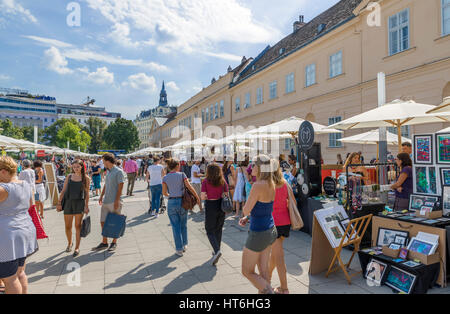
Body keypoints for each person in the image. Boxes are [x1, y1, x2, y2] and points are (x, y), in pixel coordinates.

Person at [0, 156, 38, 294]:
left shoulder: (4, 189)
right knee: (20, 272)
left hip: (7, 236)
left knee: (9, 278)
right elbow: (30, 204)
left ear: (4, 171)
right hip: (24, 230)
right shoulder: (25, 184)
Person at [239, 155, 277, 294]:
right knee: (264, 270)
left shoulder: (257, 185)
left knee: (247, 271)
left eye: (253, 164)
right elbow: (262, 208)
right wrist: (248, 217)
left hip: (258, 232)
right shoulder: (271, 183)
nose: (251, 167)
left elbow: (246, 209)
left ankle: (269, 292)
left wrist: (246, 213)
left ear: (260, 167)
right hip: (269, 228)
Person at [162, 158, 200, 257]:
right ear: (177, 166)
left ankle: (179, 249)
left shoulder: (165, 178)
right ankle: (184, 244)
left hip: (171, 202)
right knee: (183, 224)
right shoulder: (182, 175)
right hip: (183, 202)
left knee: (175, 226)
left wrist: (172, 194)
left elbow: (164, 193)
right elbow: (189, 186)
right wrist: (197, 197)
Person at [268, 162, 294, 294]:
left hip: (273, 223)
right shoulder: (285, 183)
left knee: (279, 257)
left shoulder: (267, 185)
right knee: (275, 254)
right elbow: (293, 201)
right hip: (285, 222)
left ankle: (284, 288)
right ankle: (267, 279)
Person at [57, 160, 90, 257]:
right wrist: (59, 203)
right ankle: (69, 243)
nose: (76, 168)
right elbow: (63, 190)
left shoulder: (86, 178)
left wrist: (86, 206)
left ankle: (77, 247)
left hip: (79, 203)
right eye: (74, 167)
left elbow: (87, 194)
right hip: (68, 203)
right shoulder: (69, 176)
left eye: (78, 167)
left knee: (78, 226)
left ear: (82, 167)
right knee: (68, 226)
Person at [93, 153, 125, 252]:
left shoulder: (118, 171)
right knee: (103, 222)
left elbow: (121, 186)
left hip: (115, 201)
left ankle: (114, 243)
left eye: (103, 161)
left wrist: (117, 200)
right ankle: (104, 242)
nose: (102, 163)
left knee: (115, 222)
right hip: (106, 200)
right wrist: (101, 196)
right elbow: (106, 185)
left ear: (107, 161)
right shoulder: (109, 171)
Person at [201, 164, 229, 266]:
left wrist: (208, 195)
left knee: (209, 229)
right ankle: (217, 249)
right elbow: (226, 194)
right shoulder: (223, 181)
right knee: (218, 228)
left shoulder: (205, 181)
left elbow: (203, 197)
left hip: (211, 205)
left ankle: (217, 250)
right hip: (221, 206)